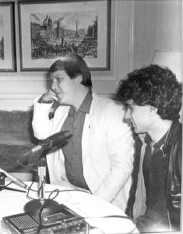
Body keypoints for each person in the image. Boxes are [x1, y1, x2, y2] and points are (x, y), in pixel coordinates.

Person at [32, 54, 134, 210]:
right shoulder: (61, 112)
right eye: (52, 81)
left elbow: (122, 167)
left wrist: (95, 204)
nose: (52, 87)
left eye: (58, 79)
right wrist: (43, 103)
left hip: (103, 200)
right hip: (68, 196)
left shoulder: (112, 111)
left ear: (78, 78)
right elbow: (41, 136)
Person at [114, 64, 182, 232]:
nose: (126, 116)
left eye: (131, 108)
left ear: (153, 108)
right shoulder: (144, 143)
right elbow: (139, 200)